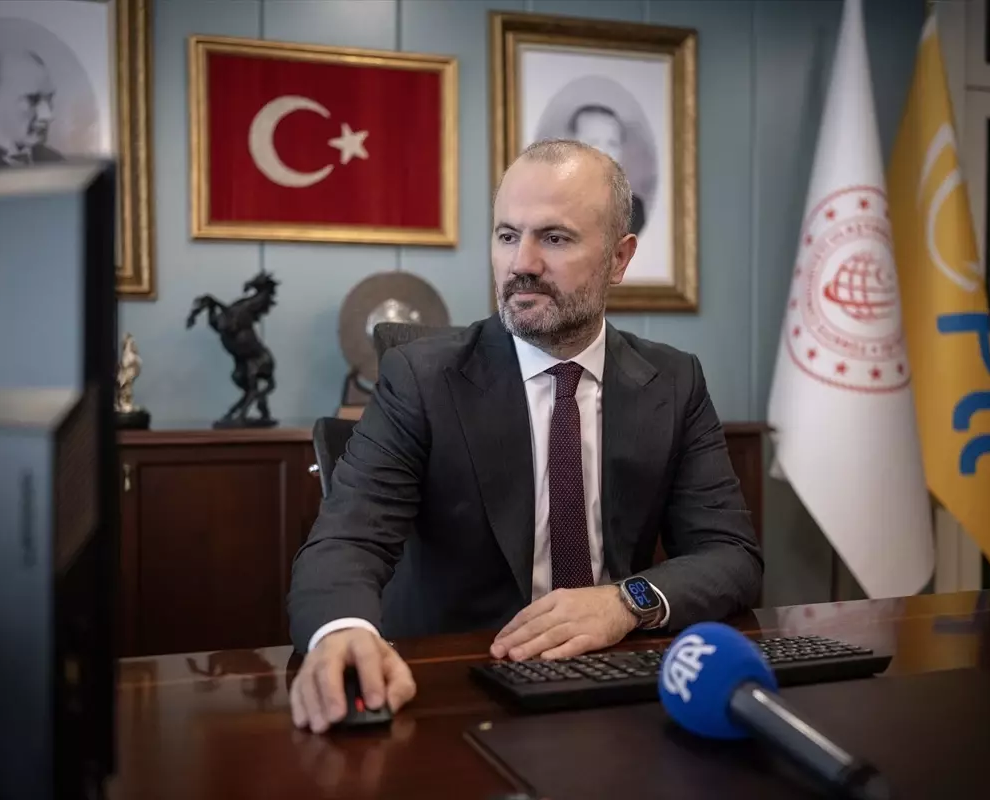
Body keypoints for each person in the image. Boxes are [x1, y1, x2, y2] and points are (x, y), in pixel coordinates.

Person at [287, 139, 762, 733]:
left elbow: (731, 556)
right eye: (507, 235)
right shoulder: (421, 378)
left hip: (615, 682)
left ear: (619, 258)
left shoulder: (672, 380)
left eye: (554, 238)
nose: (522, 263)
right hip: (457, 685)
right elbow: (345, 540)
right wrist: (343, 631)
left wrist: (626, 602)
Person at [567, 104, 646, 236]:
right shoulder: (550, 204)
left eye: (612, 143)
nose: (604, 152)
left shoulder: (634, 209)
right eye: (593, 142)